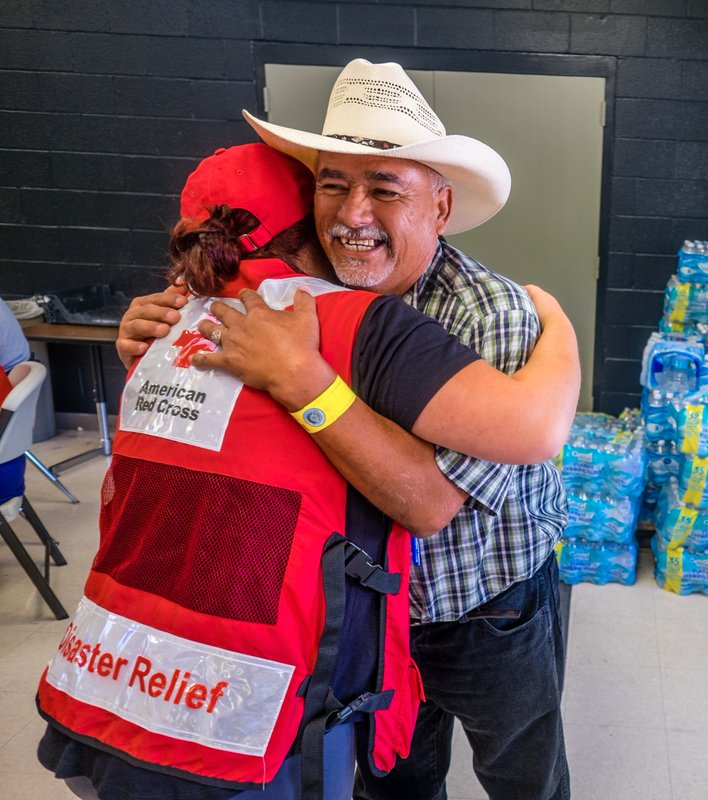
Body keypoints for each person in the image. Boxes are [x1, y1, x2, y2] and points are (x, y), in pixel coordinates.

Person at [36, 143, 579, 800]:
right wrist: (156, 341)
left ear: (440, 207)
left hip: (484, 603)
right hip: (371, 613)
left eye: (384, 188)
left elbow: (451, 492)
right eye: (332, 185)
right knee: (396, 778)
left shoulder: (483, 313)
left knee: (522, 772)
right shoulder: (279, 308)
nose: (353, 214)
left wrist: (561, 337)